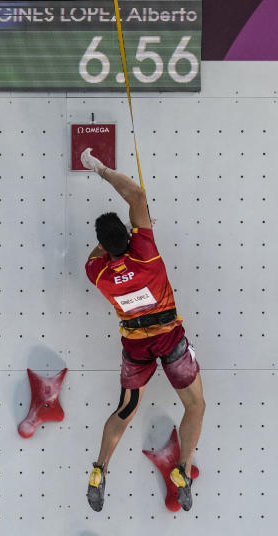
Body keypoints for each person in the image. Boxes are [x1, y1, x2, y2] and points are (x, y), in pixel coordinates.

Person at [80, 148, 205, 512]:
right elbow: (136, 196)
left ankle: (100, 469)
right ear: (129, 235)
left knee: (125, 410)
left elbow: (98, 252)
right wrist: (101, 169)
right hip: (170, 340)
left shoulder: (98, 273)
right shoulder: (146, 252)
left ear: (103, 245)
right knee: (195, 406)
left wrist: (107, 242)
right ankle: (182, 469)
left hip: (136, 349)